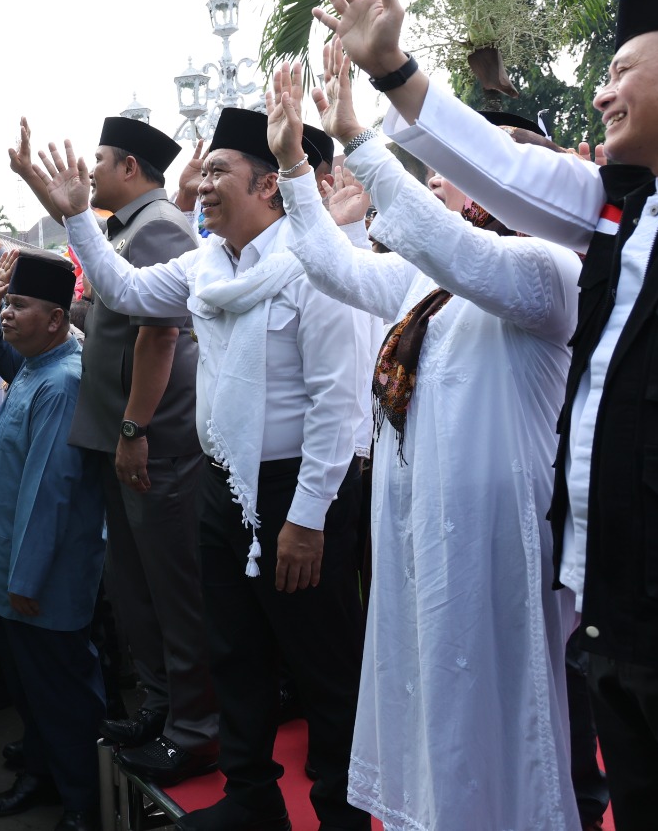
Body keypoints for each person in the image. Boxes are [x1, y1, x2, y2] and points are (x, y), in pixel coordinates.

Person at [313, 0, 658, 829]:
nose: (601, 93)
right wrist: (393, 73)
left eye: (621, 68)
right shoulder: (628, 210)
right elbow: (504, 173)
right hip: (618, 603)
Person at [27, 109, 373, 831]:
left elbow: (338, 407)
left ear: (271, 185)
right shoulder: (208, 264)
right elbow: (122, 292)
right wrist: (75, 221)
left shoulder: (318, 265)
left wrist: (307, 521)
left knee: (323, 665)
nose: (201, 183)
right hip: (226, 487)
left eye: (218, 172)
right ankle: (250, 797)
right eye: (205, 170)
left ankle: (343, 808)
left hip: (299, 494)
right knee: (234, 650)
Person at [263, 50, 578, 829]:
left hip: (493, 544)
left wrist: (362, 139)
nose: (435, 178)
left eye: (450, 167)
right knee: (432, 715)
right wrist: (294, 169)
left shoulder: (549, 270)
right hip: (419, 536)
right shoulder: (425, 280)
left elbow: (454, 247)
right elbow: (333, 265)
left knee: (499, 727)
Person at [15, 114, 218, 784]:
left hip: (151, 442)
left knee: (173, 590)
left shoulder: (159, 227)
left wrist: (134, 429)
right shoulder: (127, 229)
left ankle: (194, 728)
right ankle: (163, 708)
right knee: (138, 590)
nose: (89, 171)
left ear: (130, 168)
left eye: (99, 161)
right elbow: (105, 316)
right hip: (122, 439)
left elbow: (159, 336)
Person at [0, 253, 106, 831]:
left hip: (39, 582)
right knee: (31, 693)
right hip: (7, 574)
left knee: (62, 698)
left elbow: (49, 491)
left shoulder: (62, 382)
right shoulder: (34, 364)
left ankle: (83, 803)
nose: (6, 314)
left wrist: (24, 579)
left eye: (19, 305)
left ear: (57, 319)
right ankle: (41, 776)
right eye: (8, 303)